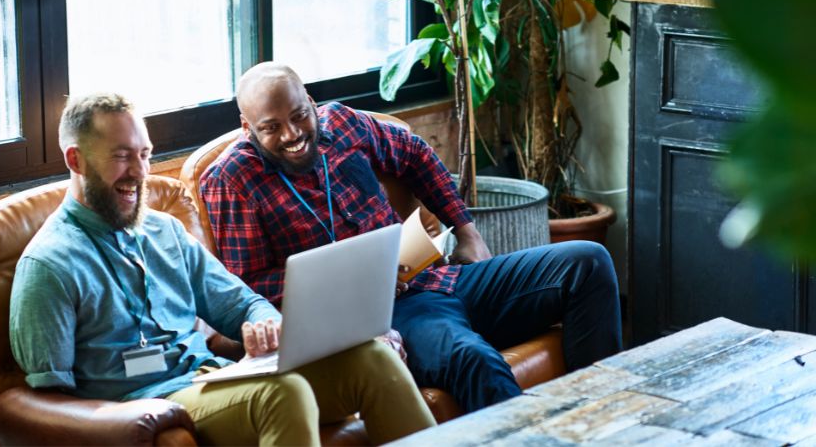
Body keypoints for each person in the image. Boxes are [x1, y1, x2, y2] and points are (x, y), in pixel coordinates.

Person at [9, 92, 436, 446]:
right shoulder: (49, 266)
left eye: (145, 155)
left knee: (371, 358)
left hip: (214, 378)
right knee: (282, 394)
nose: (139, 173)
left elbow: (244, 304)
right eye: (122, 157)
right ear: (76, 160)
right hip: (146, 404)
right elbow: (50, 403)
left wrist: (264, 324)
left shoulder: (165, 232)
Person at [200, 62, 623, 414]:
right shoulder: (232, 180)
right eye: (271, 127)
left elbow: (415, 153)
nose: (292, 134)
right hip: (384, 317)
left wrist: (467, 233)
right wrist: (353, 281)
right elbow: (249, 286)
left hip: (437, 278)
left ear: (310, 101)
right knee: (471, 358)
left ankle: (600, 421)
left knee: (587, 261)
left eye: (298, 116)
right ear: (247, 127)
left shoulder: (342, 124)